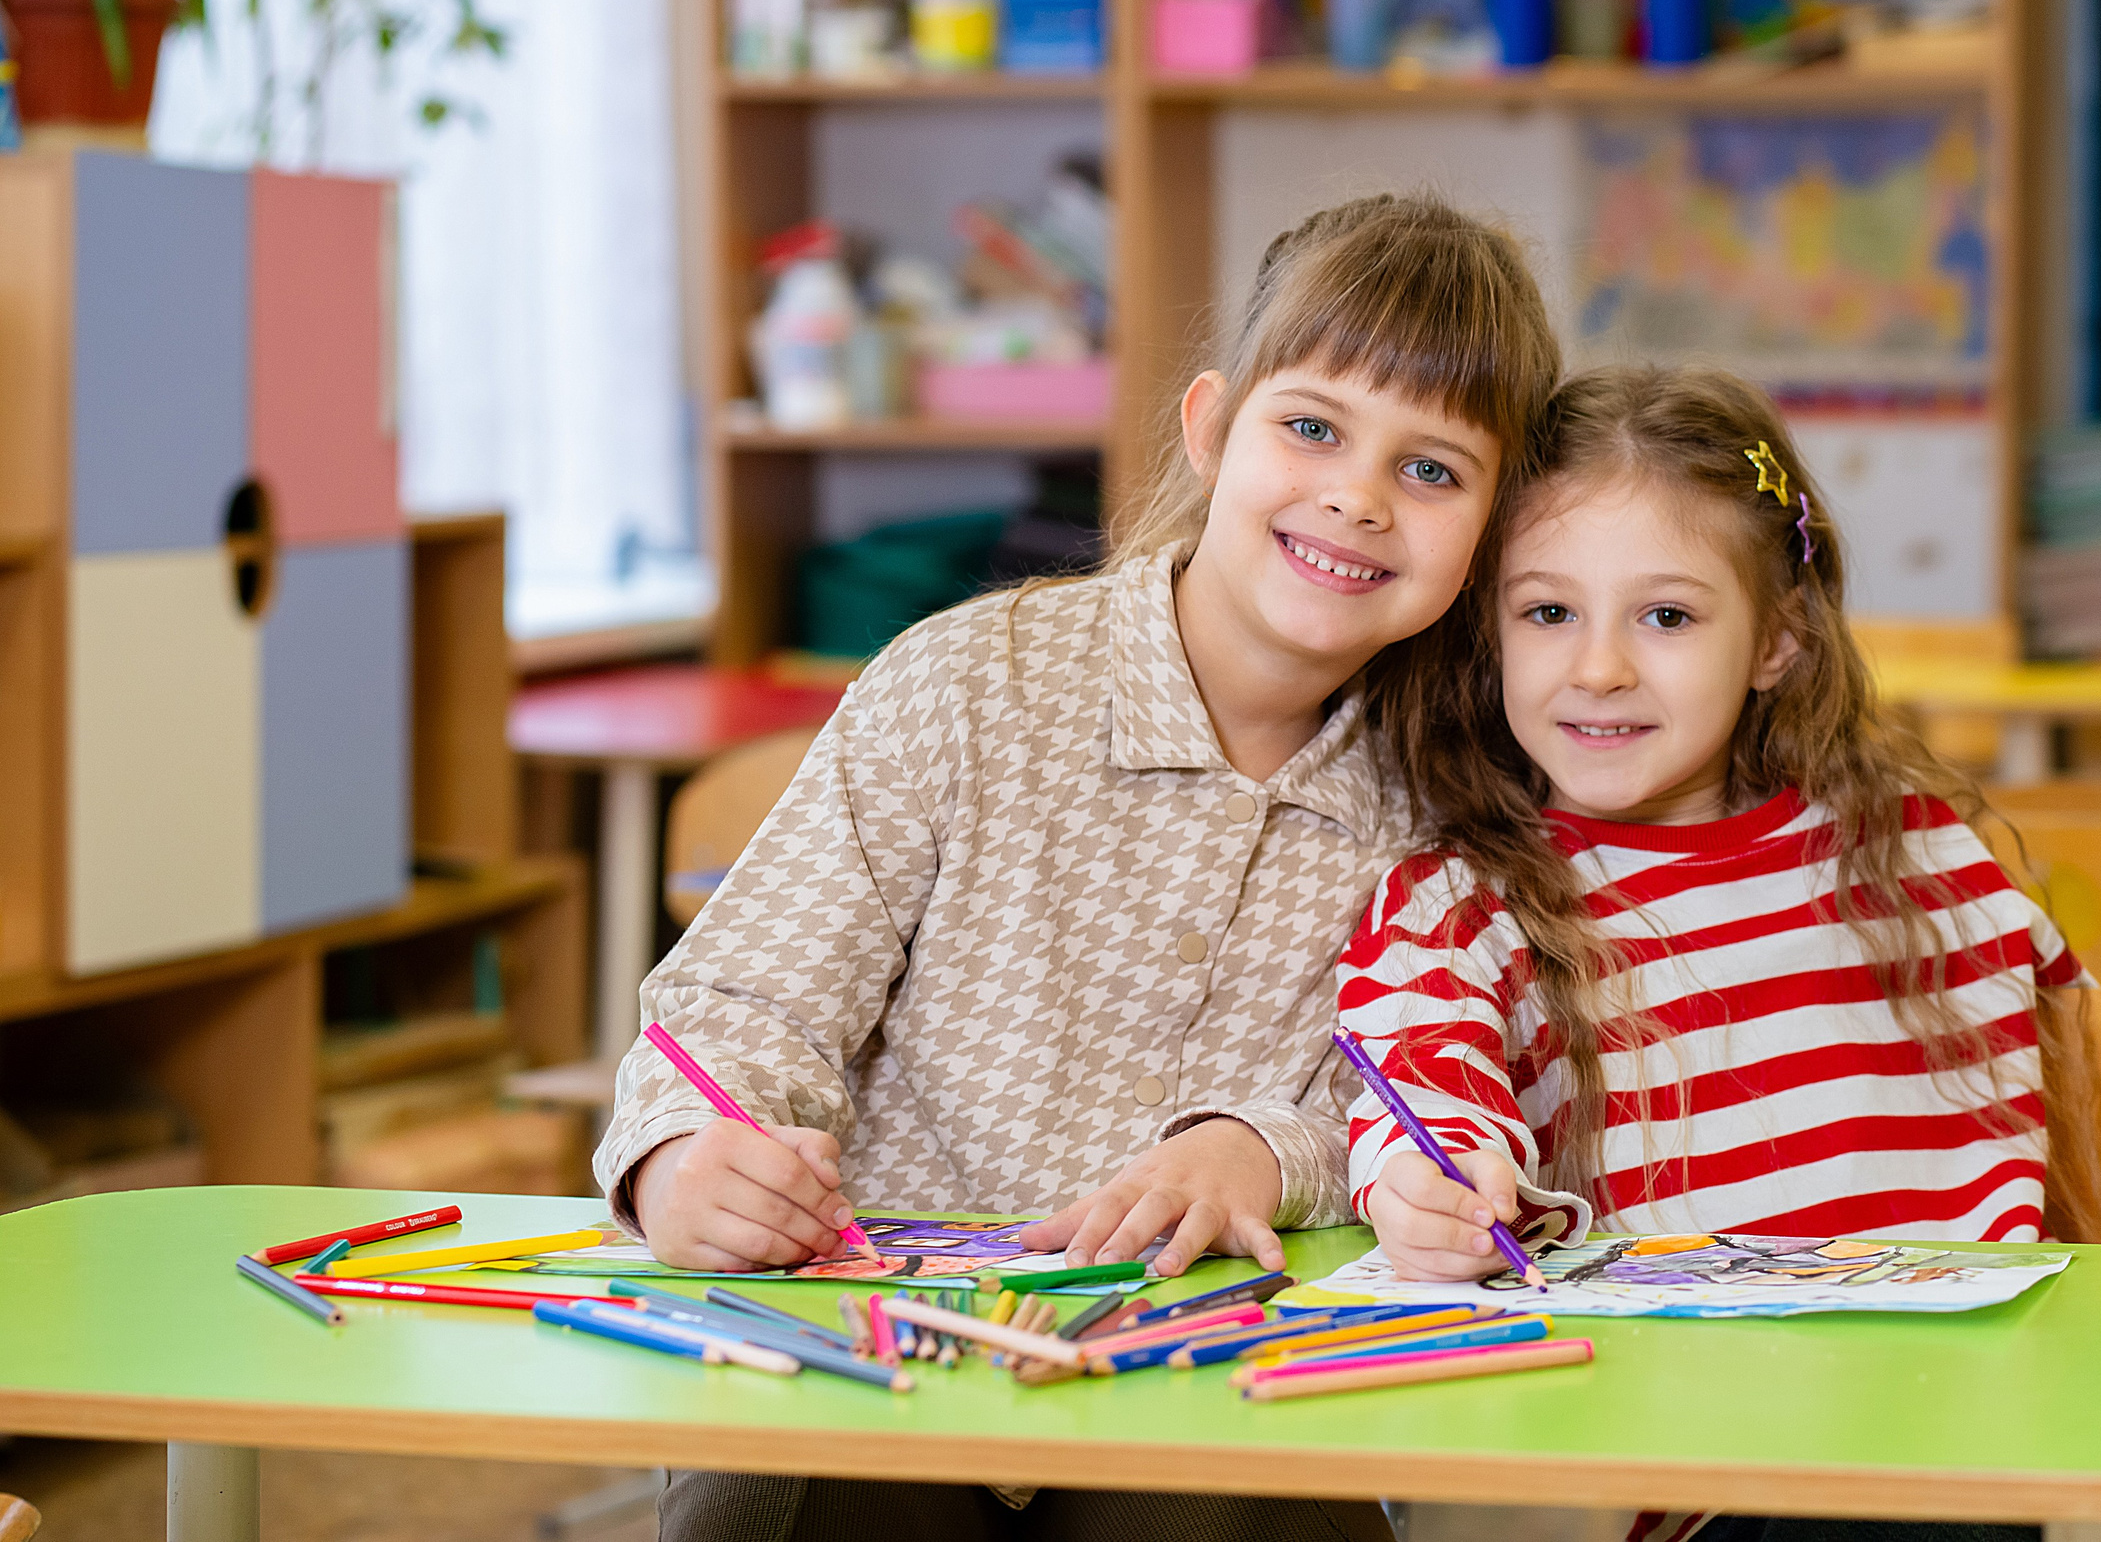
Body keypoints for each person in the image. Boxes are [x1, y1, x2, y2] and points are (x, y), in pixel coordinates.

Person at [1335, 364, 2101, 1542]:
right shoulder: (1464, 902)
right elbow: (1418, 1071)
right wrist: (1434, 1177)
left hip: (2027, 1428)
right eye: (1547, 612)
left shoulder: (1914, 856)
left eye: (1667, 616)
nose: (1599, 669)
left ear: (1777, 638)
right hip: (1748, 1491)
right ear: (1490, 630)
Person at [593, 192, 1561, 1542]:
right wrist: (688, 1158)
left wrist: (1263, 1147)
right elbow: (738, 1014)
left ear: (1489, 533)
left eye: (1433, 469)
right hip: (877, 1358)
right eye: (1313, 427)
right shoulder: (966, 681)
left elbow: (1434, 1110)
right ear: (1214, 427)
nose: (1356, 493)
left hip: (1215, 1382)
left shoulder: (1465, 801)